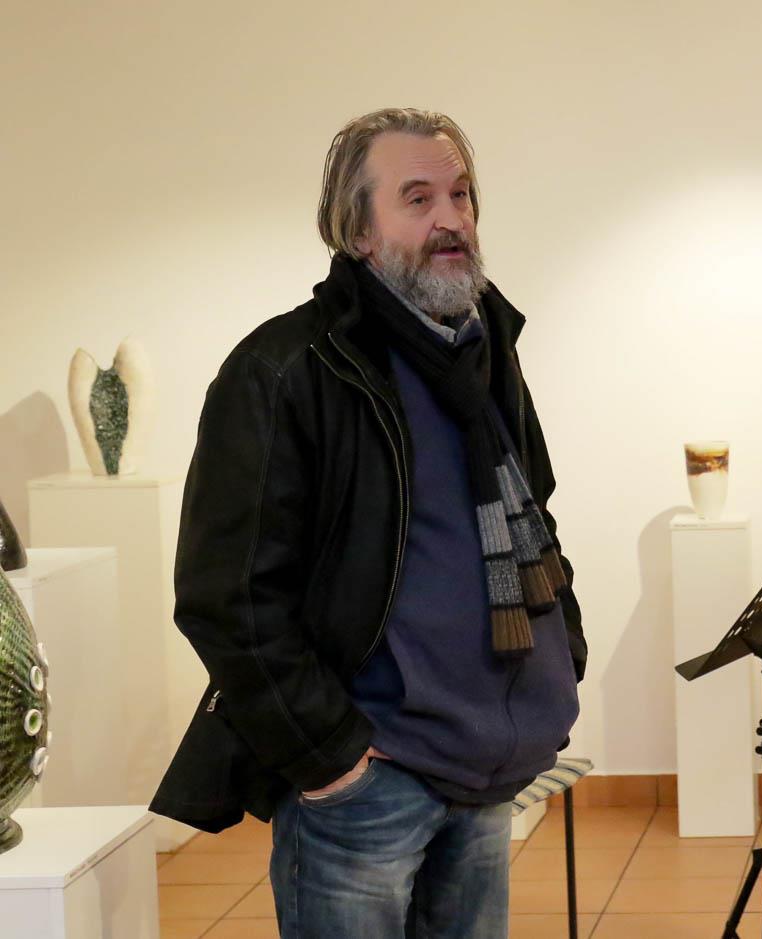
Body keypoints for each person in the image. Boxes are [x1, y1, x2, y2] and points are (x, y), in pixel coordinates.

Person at [151, 108, 586, 938]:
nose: (451, 219)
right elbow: (226, 595)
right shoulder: (286, 369)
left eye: (461, 195)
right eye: (417, 199)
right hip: (366, 786)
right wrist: (331, 756)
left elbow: (536, 512)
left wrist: (563, 647)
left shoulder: (486, 350)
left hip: (485, 773)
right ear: (356, 231)